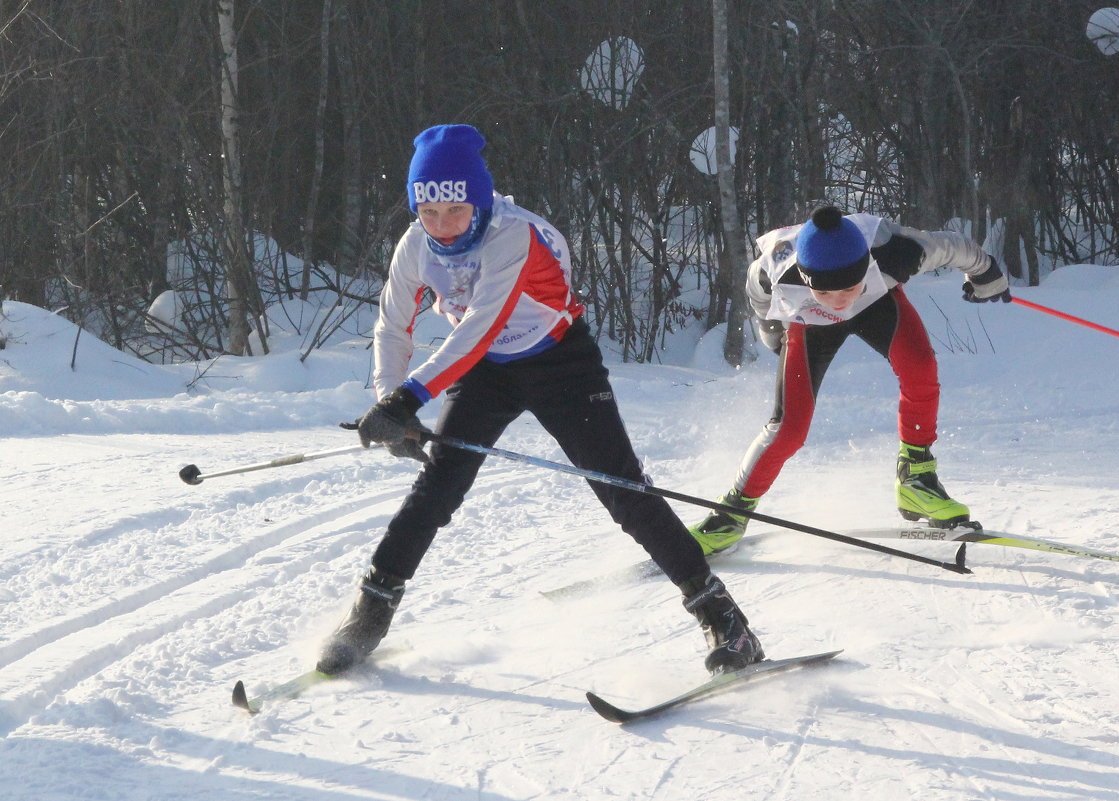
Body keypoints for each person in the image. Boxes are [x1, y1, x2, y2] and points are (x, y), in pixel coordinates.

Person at [318, 124, 763, 676]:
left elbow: (478, 326)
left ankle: (724, 619)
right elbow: (392, 326)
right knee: (438, 486)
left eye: (453, 211)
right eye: (427, 213)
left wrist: (409, 398)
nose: (441, 226)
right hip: (486, 373)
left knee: (623, 491)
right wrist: (390, 401)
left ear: (478, 202)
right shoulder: (416, 245)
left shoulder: (513, 236)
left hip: (559, 363)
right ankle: (371, 612)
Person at [689, 205, 1011, 555]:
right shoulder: (776, 267)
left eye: (848, 288)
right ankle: (729, 515)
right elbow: (759, 298)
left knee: (920, 369)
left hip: (877, 304)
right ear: (806, 277)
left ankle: (916, 479)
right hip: (808, 323)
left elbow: (954, 247)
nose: (840, 302)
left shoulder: (892, 251)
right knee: (789, 428)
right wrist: (771, 332)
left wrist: (986, 275)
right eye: (826, 292)